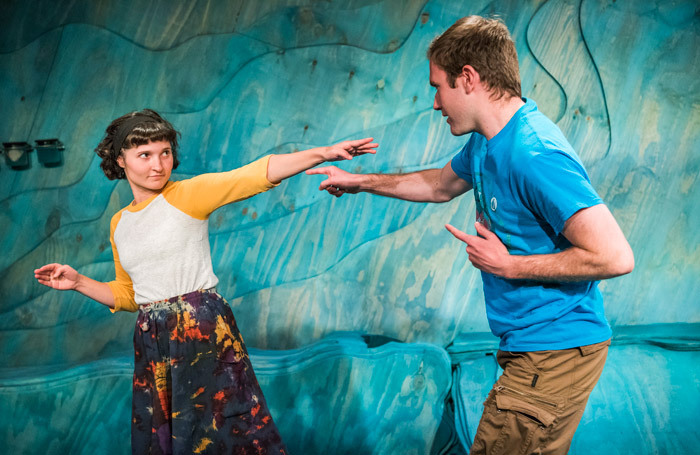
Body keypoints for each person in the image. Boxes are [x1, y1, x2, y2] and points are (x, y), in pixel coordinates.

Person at [306, 16, 634, 455]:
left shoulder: (532, 152)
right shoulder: (488, 141)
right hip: (531, 348)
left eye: (438, 87)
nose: (436, 104)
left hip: (555, 351)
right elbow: (439, 186)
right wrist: (359, 181)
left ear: (469, 78)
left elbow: (615, 256)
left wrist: (509, 266)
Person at [34, 109, 377, 454]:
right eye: (145, 155)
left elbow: (253, 174)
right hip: (154, 341)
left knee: (225, 432)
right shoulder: (119, 223)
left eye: (165, 152)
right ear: (121, 160)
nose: (158, 165)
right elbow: (130, 295)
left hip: (201, 329)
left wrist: (324, 152)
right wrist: (79, 282)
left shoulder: (187, 194)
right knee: (172, 441)